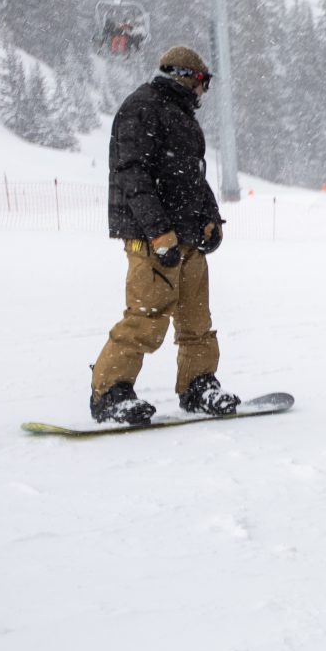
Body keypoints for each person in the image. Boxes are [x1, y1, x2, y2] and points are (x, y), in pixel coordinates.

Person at [88, 45, 236, 425]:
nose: (204, 92)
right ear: (185, 77)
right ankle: (110, 392)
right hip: (152, 237)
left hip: (185, 237)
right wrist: (158, 232)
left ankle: (198, 385)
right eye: (202, 82)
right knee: (147, 316)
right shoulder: (142, 107)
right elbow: (132, 173)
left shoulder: (181, 115)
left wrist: (211, 219)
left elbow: (192, 177)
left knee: (196, 319)